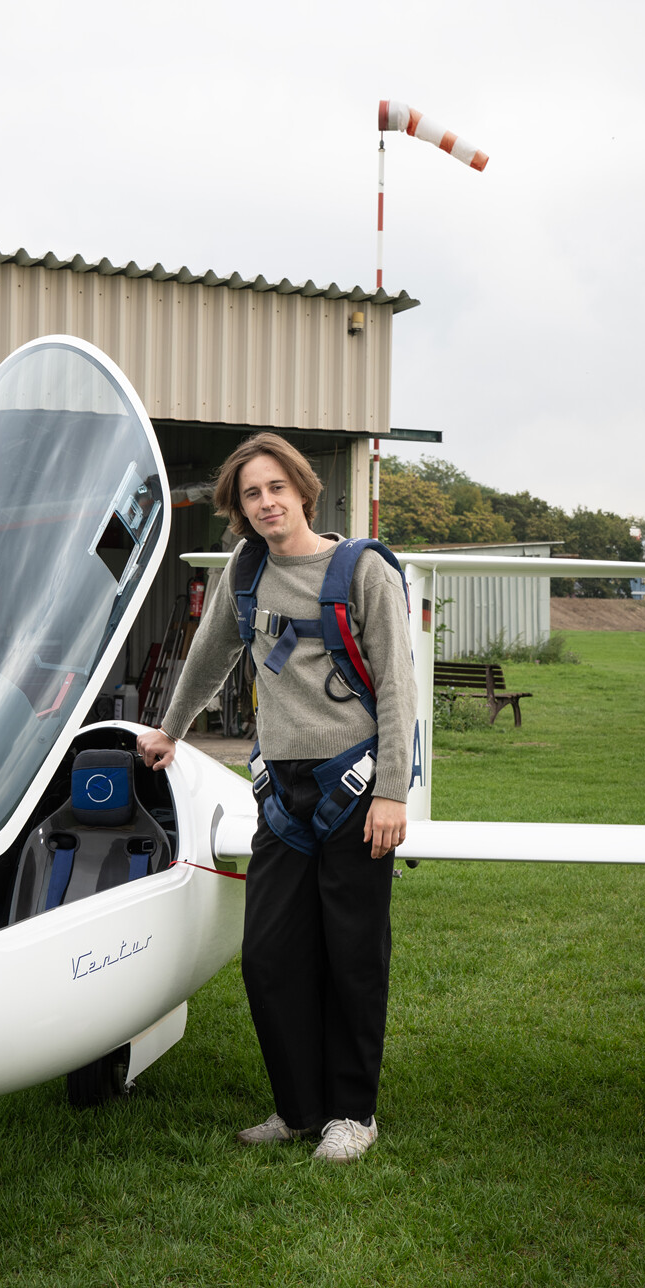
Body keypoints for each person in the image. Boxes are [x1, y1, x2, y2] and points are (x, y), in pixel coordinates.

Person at [138, 432, 417, 1163]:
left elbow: (398, 685)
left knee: (352, 956)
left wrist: (392, 791)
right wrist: (172, 728)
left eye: (275, 488)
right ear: (241, 508)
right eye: (251, 494)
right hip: (281, 794)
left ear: (302, 490)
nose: (266, 503)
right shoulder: (246, 569)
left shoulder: (363, 572)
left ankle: (352, 1114)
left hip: (355, 787)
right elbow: (212, 652)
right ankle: (297, 1110)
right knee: (268, 956)